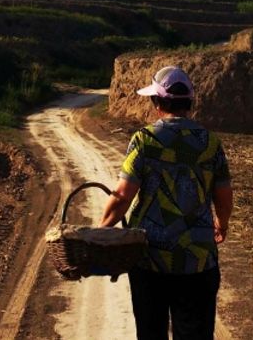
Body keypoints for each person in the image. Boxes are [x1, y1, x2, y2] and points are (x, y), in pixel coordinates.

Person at [99, 66, 234, 340]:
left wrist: (101, 231)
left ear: (157, 102)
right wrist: (222, 222)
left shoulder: (145, 140)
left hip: (150, 261)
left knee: (151, 333)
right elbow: (223, 194)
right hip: (198, 260)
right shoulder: (210, 143)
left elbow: (123, 195)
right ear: (189, 103)